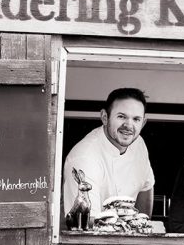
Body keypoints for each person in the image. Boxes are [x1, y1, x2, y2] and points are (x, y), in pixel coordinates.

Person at [63, 88, 154, 218]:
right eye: (121, 116)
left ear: (143, 123)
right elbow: (85, 222)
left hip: (126, 229)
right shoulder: (84, 158)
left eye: (136, 119)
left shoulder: (139, 143)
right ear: (105, 117)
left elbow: (146, 187)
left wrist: (142, 225)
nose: (129, 125)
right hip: (93, 229)